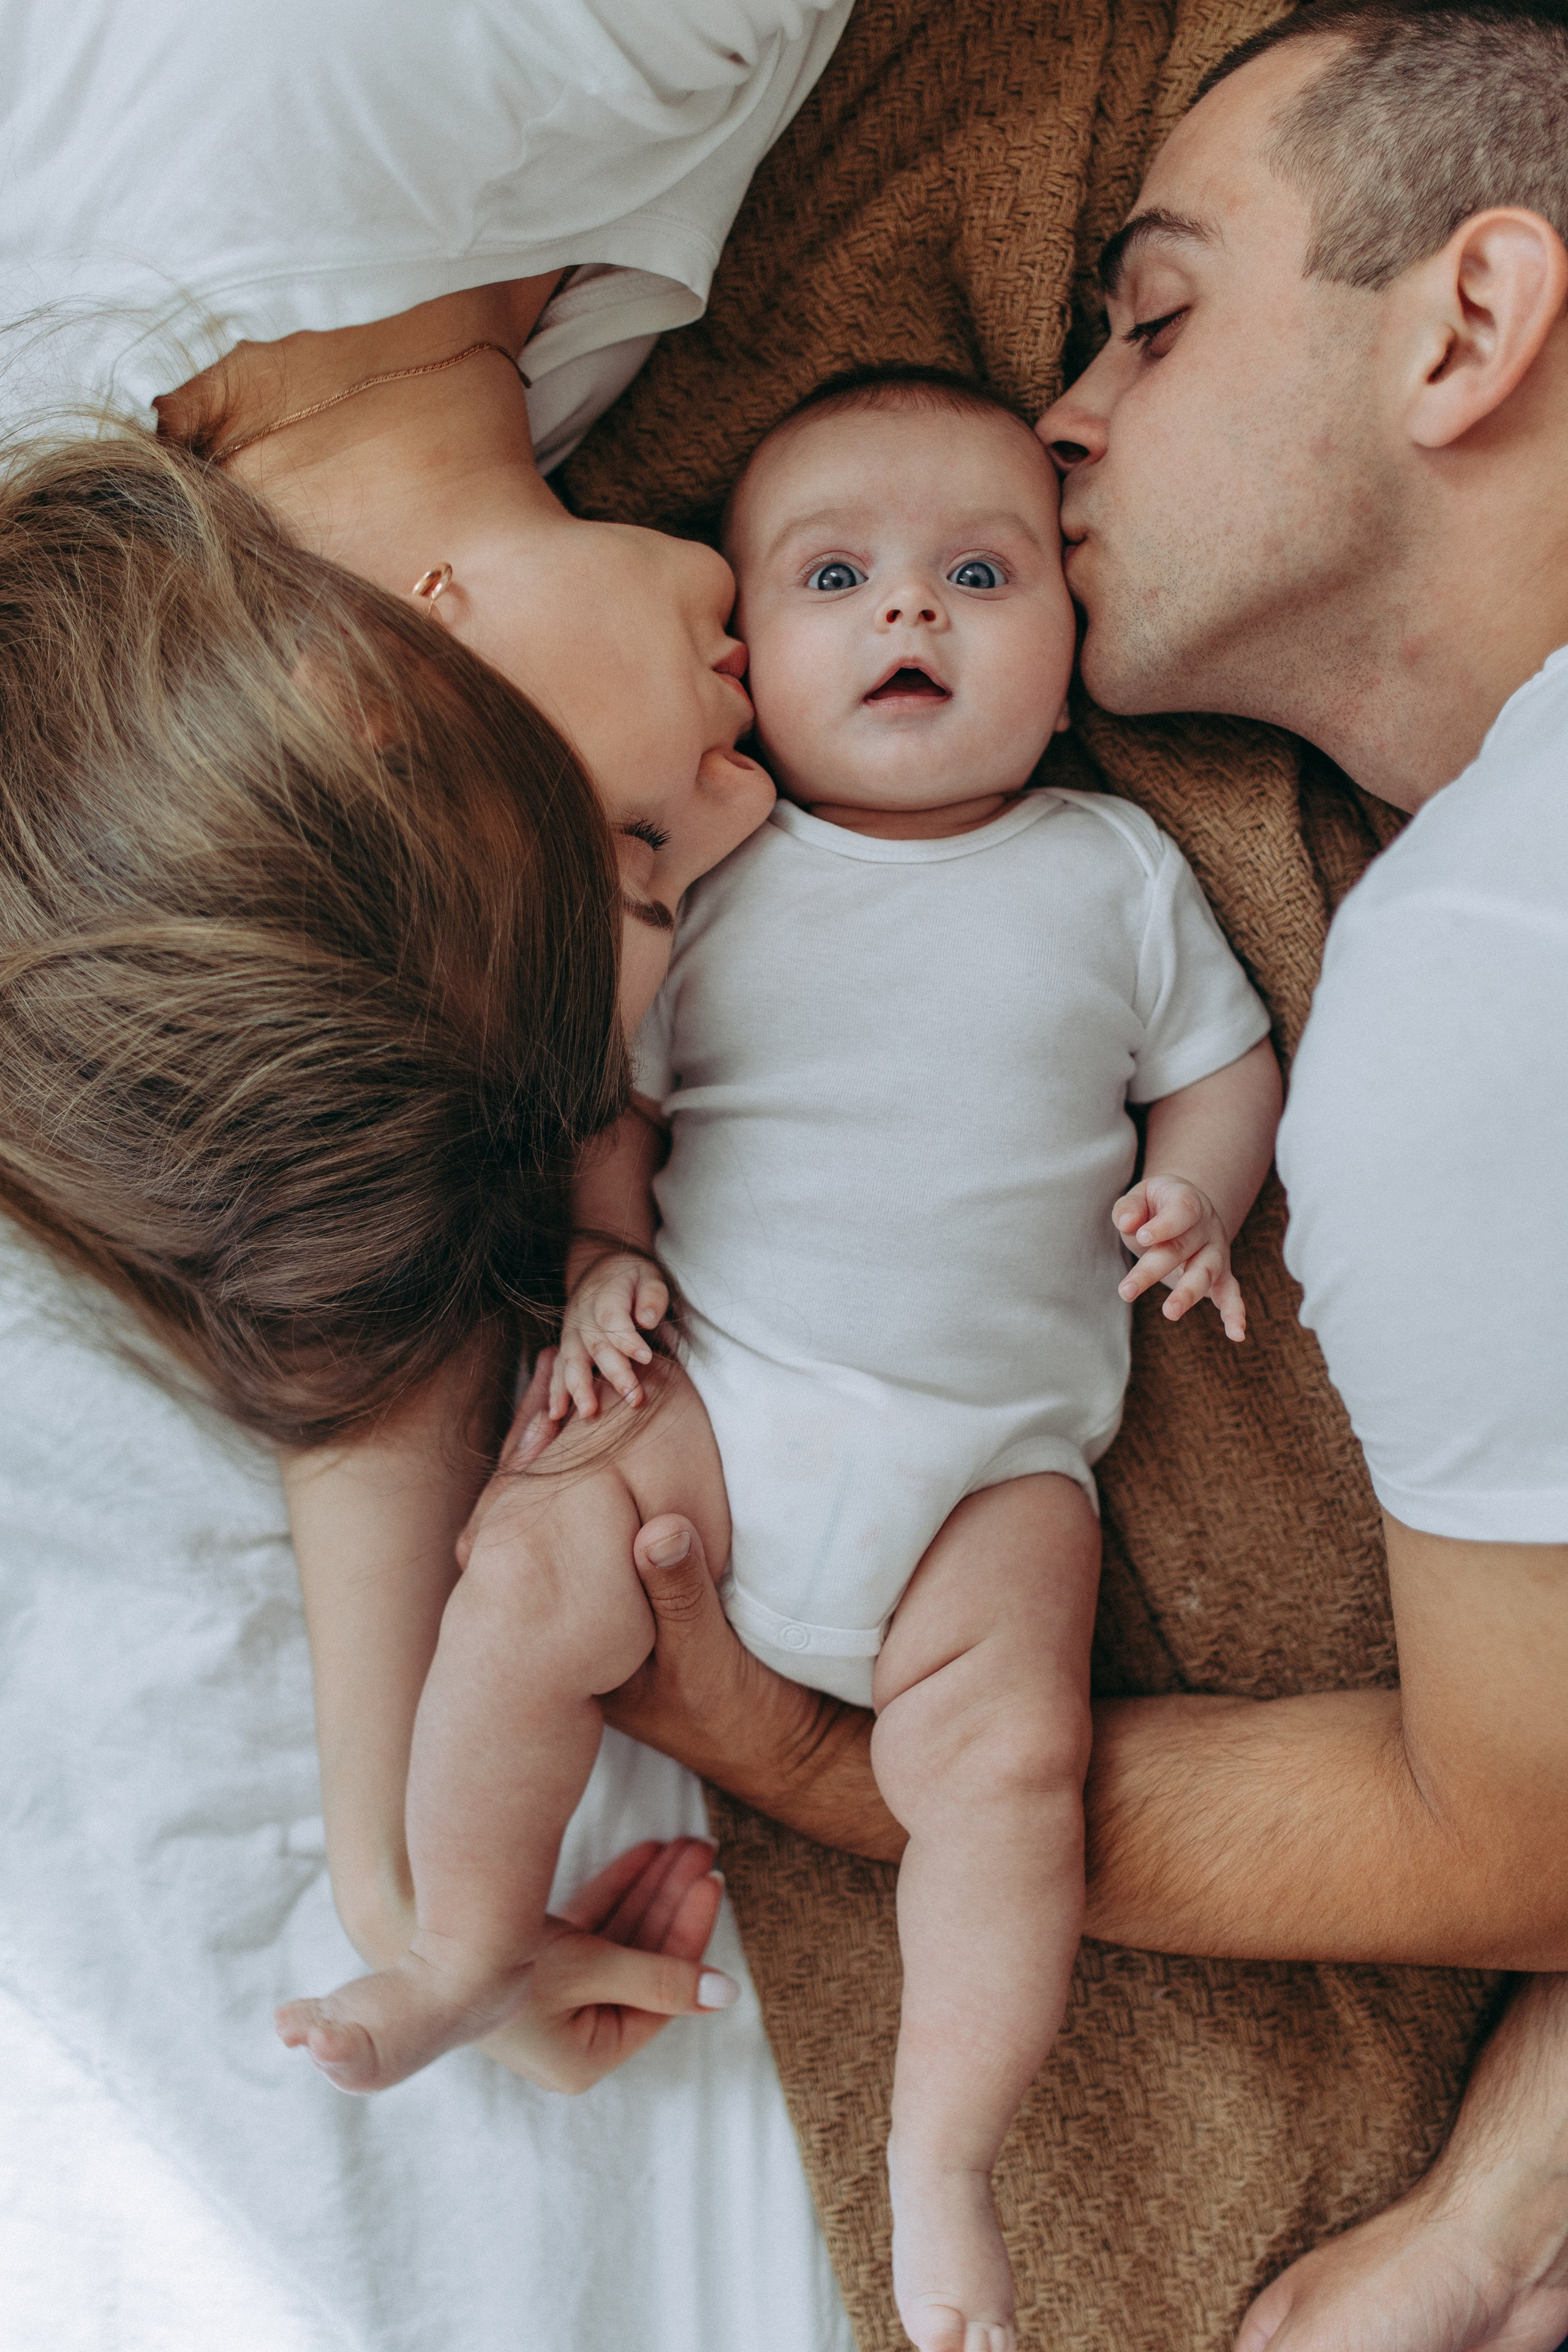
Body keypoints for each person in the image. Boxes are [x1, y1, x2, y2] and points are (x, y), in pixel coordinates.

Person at [508, 2, 1568, 2341]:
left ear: (1473, 324)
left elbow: (1529, 1833)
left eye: (1154, 321)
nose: (1064, 412)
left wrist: (797, 1750)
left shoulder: (1487, 972)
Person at [274, 369, 1278, 2352]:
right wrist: (602, 1266)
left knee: (1013, 1770)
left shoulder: (1117, 872)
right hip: (713, 1405)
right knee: (533, 1557)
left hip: (989, 1474)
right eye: (840, 578)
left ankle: (946, 2158)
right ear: (745, 653)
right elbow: (610, 1108)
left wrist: (1201, 1191)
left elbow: (1224, 1067)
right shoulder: (705, 874)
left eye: (980, 575)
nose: (912, 615)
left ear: (1072, 650)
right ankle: (462, 1939)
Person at [0, 0, 858, 2099]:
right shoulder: (252, 604)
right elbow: (358, 1289)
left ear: (399, 701)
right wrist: (420, 1899)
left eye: (647, 854)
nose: (755, 803)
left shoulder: (515, 55)